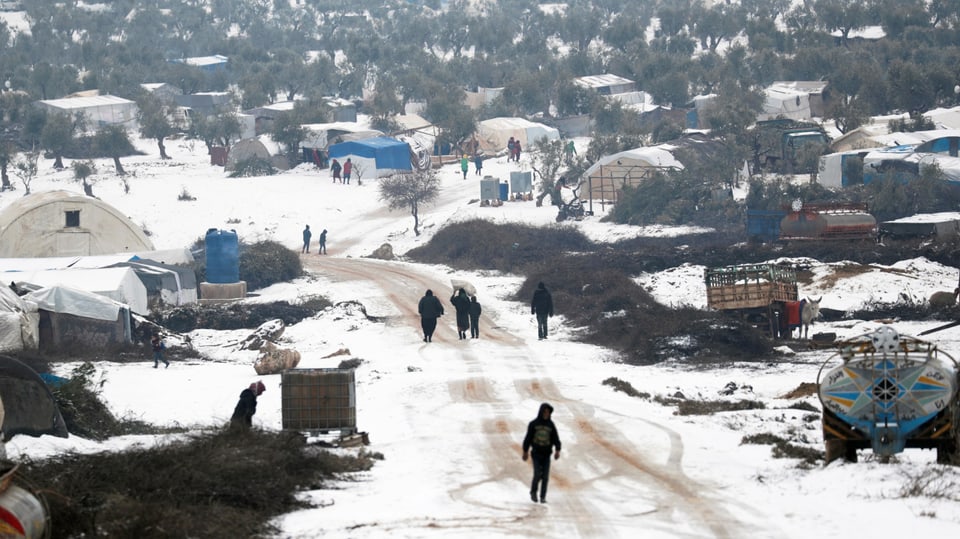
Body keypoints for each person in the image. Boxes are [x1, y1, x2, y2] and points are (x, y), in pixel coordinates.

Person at [522, 402, 561, 504]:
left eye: (548, 412)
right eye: (544, 412)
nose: (546, 414)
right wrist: (525, 451)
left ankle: (543, 497)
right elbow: (528, 438)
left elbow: (555, 438)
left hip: (547, 454)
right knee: (537, 474)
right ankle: (533, 492)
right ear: (541, 412)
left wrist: (557, 450)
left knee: (545, 476)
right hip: (536, 453)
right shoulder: (533, 424)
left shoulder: (551, 425)